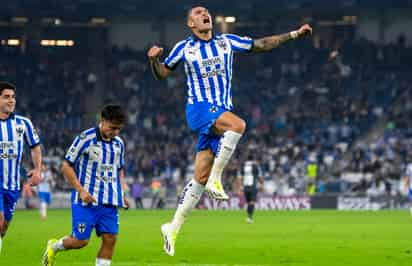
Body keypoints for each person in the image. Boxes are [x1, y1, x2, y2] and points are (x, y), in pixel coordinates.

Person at [147, 6, 312, 256]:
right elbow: (162, 74)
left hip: (217, 114)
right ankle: (217, 177)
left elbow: (263, 44)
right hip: (200, 109)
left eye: (206, 11)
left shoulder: (227, 42)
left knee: (198, 179)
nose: (205, 14)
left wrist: (294, 34)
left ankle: (172, 227)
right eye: (198, 13)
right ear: (191, 24)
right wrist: (153, 60)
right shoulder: (184, 48)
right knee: (239, 125)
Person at [42, 104, 129, 266]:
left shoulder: (119, 143)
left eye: (119, 129)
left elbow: (119, 168)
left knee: (110, 239)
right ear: (102, 121)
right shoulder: (86, 138)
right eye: (113, 128)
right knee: (80, 241)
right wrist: (81, 191)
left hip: (109, 201)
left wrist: (122, 192)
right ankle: (54, 246)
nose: (116, 132)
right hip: (86, 200)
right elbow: (66, 166)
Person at [0, 82, 42, 254]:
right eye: (6, 97)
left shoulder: (23, 123)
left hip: (12, 186)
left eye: (13, 97)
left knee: (3, 229)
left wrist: (37, 169)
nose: (11, 101)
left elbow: (35, 146)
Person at [241, 155, 263, 224]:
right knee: (252, 202)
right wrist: (262, 184)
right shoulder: (255, 166)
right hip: (252, 187)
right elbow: (259, 176)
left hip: (245, 187)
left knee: (249, 202)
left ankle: (248, 216)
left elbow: (239, 177)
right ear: (253, 159)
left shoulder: (243, 166)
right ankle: (249, 217)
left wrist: (239, 188)